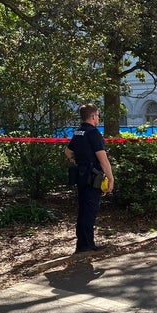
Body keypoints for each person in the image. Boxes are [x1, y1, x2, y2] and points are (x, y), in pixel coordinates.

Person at [65, 103, 115, 253]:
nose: (98, 118)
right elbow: (103, 159)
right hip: (93, 177)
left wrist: (79, 162)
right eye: (98, 115)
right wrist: (111, 178)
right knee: (90, 210)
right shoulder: (93, 133)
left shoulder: (78, 132)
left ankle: (82, 243)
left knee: (83, 209)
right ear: (93, 116)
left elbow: (67, 152)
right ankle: (87, 245)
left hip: (81, 176)